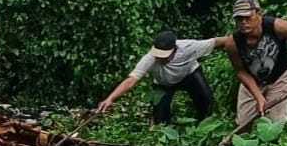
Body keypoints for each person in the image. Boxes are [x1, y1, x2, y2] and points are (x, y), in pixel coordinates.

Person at [97, 30, 226, 123]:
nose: (160, 58)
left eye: (164, 55)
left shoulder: (189, 47)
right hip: (163, 83)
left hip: (189, 75)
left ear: (175, 49)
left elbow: (219, 41)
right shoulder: (150, 58)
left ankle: (203, 124)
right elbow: (131, 80)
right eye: (158, 54)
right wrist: (110, 99)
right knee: (161, 117)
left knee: (206, 100)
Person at [226, 0, 287, 124]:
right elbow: (241, 72)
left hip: (280, 74)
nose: (244, 22)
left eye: (248, 17)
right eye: (239, 19)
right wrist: (258, 97)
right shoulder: (232, 43)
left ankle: (272, 143)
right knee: (243, 122)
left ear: (258, 14)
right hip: (253, 79)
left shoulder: (276, 26)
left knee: (275, 122)